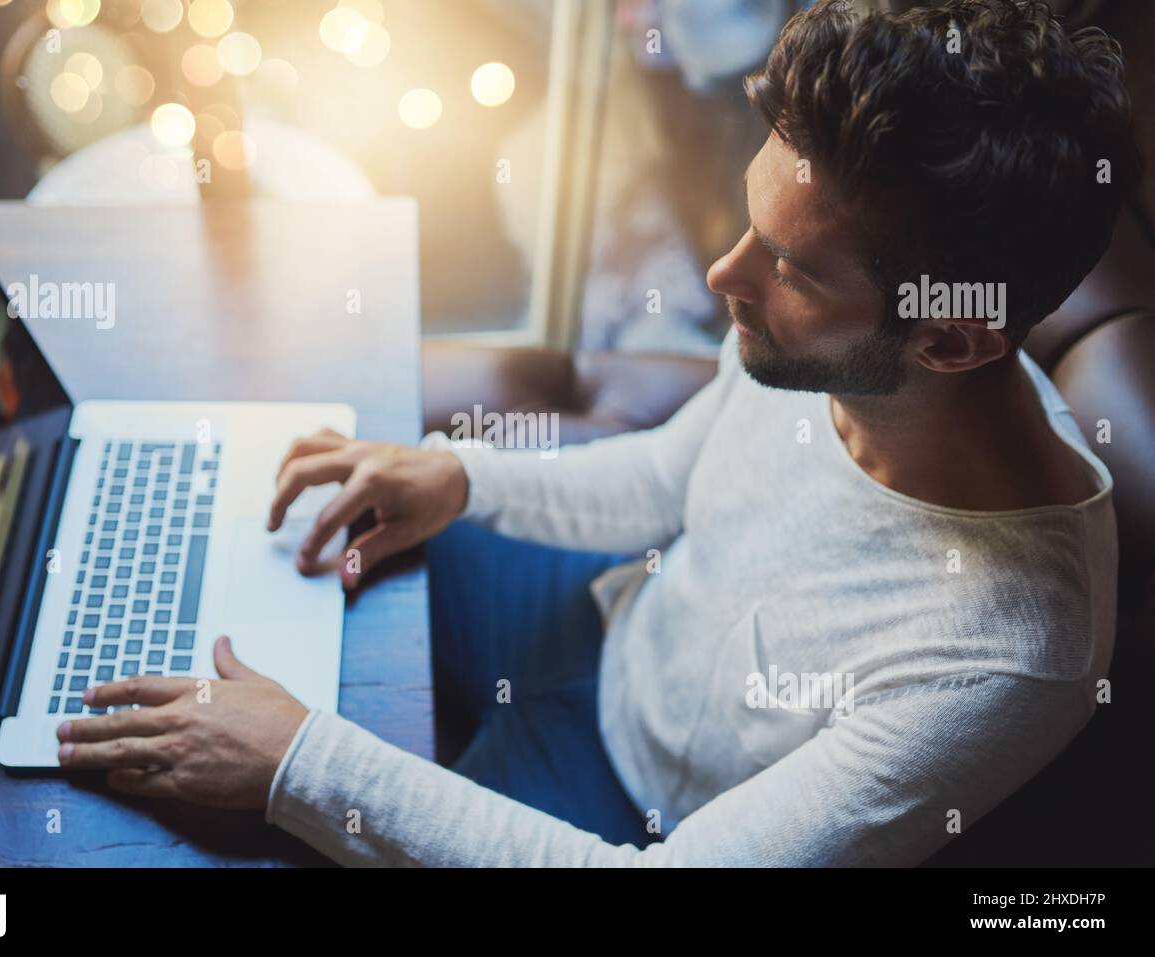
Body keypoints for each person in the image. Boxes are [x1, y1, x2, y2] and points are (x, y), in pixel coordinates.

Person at [55, 0, 1140, 866]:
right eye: (752, 224)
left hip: (625, 817)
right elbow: (673, 473)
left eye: (792, 270)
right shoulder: (843, 344)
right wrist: (459, 476)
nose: (724, 278)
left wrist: (299, 762)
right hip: (608, 623)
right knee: (228, 548)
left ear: (949, 344)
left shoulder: (999, 661)